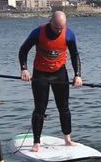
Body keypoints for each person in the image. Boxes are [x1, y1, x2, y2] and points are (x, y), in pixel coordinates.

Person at [18, 10, 82, 153]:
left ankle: (67, 138)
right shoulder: (38, 32)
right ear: (50, 21)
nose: (59, 31)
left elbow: (75, 55)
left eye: (61, 28)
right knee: (40, 109)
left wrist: (77, 75)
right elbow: (23, 50)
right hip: (40, 74)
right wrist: (24, 69)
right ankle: (36, 142)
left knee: (64, 107)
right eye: (56, 28)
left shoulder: (69, 34)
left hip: (60, 73)